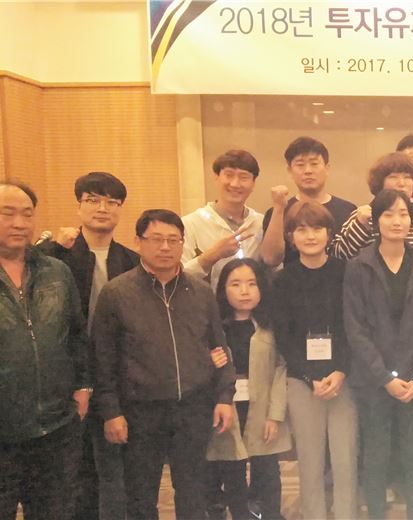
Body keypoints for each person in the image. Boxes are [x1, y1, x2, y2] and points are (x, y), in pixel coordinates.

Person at [91, 209, 236, 519]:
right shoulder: (116, 293)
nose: (165, 247)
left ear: (183, 242)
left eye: (173, 239)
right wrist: (111, 411)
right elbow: (102, 359)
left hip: (193, 409)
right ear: (138, 241)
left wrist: (225, 396)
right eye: (156, 239)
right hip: (141, 412)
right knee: (141, 496)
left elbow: (219, 347)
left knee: (193, 492)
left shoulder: (200, 292)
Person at [0, 181, 90, 520]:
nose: (20, 223)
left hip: (56, 431)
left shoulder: (57, 272)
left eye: (27, 214)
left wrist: (84, 386)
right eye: (7, 214)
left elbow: (77, 335)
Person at [36, 172, 138, 520]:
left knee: (120, 464)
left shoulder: (131, 260)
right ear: (78, 206)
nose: (102, 208)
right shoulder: (55, 257)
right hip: (69, 374)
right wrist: (50, 246)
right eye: (93, 200)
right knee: (76, 468)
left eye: (112, 202)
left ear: (121, 209)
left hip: (118, 375)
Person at [344, 189, 413, 519]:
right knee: (376, 456)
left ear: (412, 220)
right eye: (388, 214)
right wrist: (385, 378)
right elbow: (355, 329)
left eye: (403, 214)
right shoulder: (359, 267)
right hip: (374, 381)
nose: (397, 221)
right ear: (376, 220)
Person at [273, 201, 359, 520]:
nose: (310, 236)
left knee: (346, 460)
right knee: (309, 462)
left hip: (343, 379)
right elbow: (284, 337)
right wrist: (310, 377)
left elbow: (354, 327)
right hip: (301, 381)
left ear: (329, 233)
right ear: (291, 236)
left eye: (317, 228)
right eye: (302, 229)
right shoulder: (282, 280)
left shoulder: (346, 273)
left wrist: (340, 371)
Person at [204, 259, 290, 520]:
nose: (244, 291)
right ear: (223, 289)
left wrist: (275, 415)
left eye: (252, 284)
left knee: (268, 473)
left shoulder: (270, 327)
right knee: (232, 474)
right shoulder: (213, 330)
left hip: (262, 411)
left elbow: (280, 370)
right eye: (236, 284)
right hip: (227, 410)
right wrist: (208, 361)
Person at [333, 152, 413, 266]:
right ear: (380, 182)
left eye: (407, 177)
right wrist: (360, 226)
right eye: (393, 177)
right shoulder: (361, 217)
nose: (401, 183)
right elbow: (338, 257)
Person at [260, 136, 358, 267]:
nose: (308, 171)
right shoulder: (278, 211)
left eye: (314, 164)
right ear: (290, 171)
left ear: (327, 168)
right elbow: (270, 259)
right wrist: (279, 208)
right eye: (300, 165)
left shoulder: (348, 210)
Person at [181, 149, 263, 288]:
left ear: (253, 183)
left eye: (243, 177)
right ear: (216, 177)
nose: (235, 184)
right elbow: (177, 277)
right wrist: (211, 256)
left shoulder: (260, 223)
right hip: (208, 301)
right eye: (229, 175)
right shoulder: (190, 223)